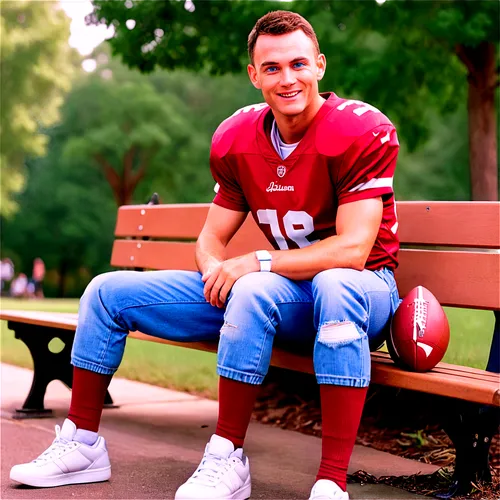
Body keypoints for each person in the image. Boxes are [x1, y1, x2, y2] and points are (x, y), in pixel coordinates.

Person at [10, 10, 400, 500]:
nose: (288, 78)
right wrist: (216, 270)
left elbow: (353, 251)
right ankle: (82, 444)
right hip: (275, 291)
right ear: (254, 75)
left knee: (308, 284)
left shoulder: (357, 129)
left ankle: (325, 481)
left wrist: (254, 265)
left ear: (320, 65)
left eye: (299, 64)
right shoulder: (239, 139)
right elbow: (211, 239)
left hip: (360, 291)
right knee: (105, 292)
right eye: (272, 68)